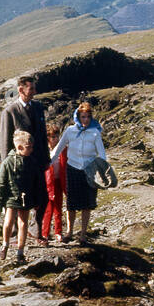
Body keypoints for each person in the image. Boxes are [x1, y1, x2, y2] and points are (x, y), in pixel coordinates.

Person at [51, 100, 111, 242]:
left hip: (89, 171)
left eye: (88, 117)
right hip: (72, 169)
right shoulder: (70, 131)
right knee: (71, 203)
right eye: (83, 117)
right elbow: (57, 149)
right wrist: (47, 164)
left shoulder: (95, 132)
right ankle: (69, 232)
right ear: (77, 116)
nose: (85, 120)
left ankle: (83, 234)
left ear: (91, 117)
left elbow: (101, 154)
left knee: (87, 203)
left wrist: (104, 172)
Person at [0, 74, 49, 237]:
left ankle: (36, 230)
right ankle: (14, 231)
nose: (35, 91)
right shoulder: (10, 111)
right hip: (19, 166)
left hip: (38, 162)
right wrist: (8, 165)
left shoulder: (38, 107)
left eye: (34, 88)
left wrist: (46, 159)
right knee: (18, 199)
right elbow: (5, 141)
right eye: (31, 88)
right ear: (21, 90)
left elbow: (42, 136)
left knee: (42, 197)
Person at [0, 131, 35, 264]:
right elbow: (0, 184)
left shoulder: (31, 162)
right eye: (29, 147)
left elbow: (36, 181)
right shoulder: (8, 162)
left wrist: (37, 199)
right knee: (8, 221)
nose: (32, 149)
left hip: (26, 197)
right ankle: (5, 245)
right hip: (11, 197)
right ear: (20, 147)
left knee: (23, 223)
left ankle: (20, 252)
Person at [41, 123, 68, 245]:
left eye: (57, 136)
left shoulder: (63, 149)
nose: (56, 139)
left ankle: (58, 232)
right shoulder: (44, 150)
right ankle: (44, 234)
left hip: (58, 182)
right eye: (53, 137)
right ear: (48, 138)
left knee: (58, 208)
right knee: (47, 210)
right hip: (47, 183)